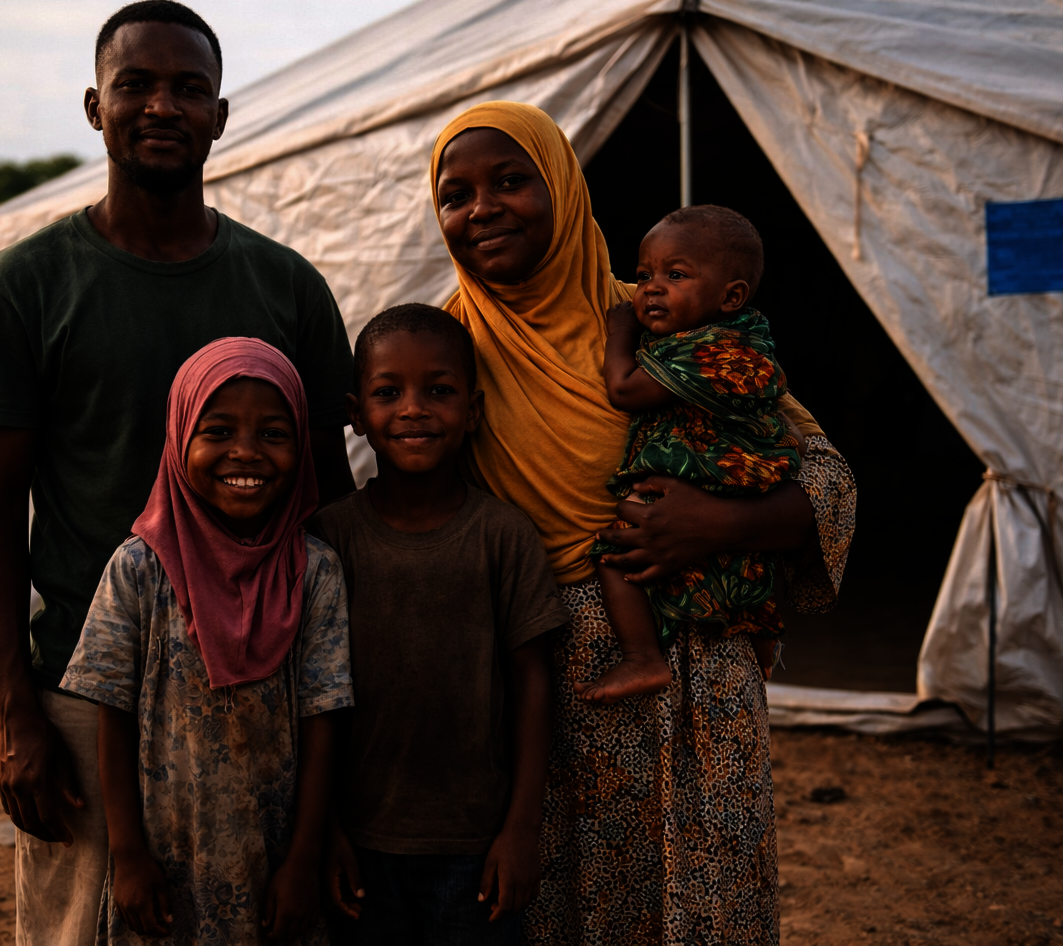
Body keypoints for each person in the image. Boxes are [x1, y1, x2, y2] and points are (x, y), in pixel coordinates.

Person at [0, 0, 357, 944]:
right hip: (84, 696)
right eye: (135, 85)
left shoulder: (285, 286)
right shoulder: (23, 284)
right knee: (82, 927)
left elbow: (330, 502)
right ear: (95, 107)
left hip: (265, 689)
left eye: (189, 88)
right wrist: (14, 708)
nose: (162, 107)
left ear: (222, 115)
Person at [430, 101, 855, 945]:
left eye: (513, 181)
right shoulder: (446, 346)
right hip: (538, 675)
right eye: (456, 193)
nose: (482, 209)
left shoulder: (659, 317)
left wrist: (720, 525)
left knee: (705, 905)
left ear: (561, 186)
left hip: (692, 668)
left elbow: (825, 471)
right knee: (558, 908)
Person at [59, 338, 352, 945]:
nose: (245, 452)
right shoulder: (139, 569)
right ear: (178, 438)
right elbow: (111, 713)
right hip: (167, 859)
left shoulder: (314, 570)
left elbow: (324, 720)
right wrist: (128, 854)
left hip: (276, 858)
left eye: (274, 434)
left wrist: (303, 858)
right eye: (217, 431)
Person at [313, 304, 568, 945]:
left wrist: (521, 829)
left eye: (440, 391)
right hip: (360, 840)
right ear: (356, 415)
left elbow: (533, 684)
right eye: (387, 392)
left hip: (475, 845)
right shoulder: (329, 538)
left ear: (474, 411)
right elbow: (308, 700)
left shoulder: (503, 536)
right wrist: (324, 829)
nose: (413, 409)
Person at [578, 205, 803, 704]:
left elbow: (625, 390)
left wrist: (619, 334)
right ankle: (759, 633)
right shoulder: (745, 337)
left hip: (704, 484)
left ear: (731, 297)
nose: (650, 288)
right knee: (742, 574)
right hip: (733, 485)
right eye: (642, 276)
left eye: (674, 275)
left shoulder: (703, 350)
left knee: (615, 558)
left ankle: (641, 658)